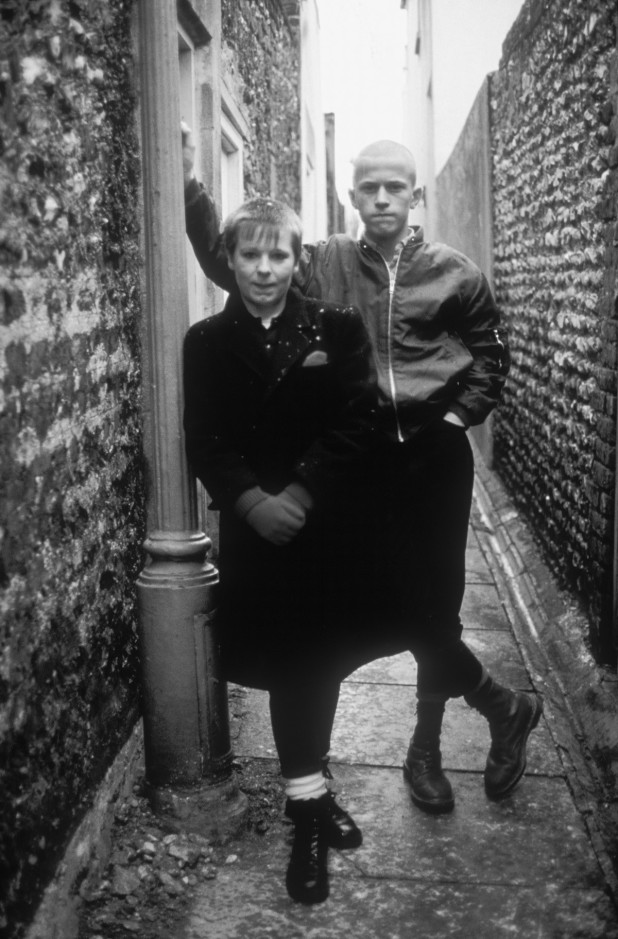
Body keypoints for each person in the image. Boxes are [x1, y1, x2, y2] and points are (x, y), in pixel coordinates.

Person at [183, 133, 543, 817]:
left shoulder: (455, 272)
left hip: (432, 460)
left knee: (435, 601)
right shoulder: (322, 264)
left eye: (395, 187)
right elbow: (231, 258)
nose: (382, 198)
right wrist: (193, 187)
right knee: (383, 602)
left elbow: (491, 350)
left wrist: (457, 417)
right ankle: (501, 706)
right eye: (369, 187)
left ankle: (425, 748)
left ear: (415, 195)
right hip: (358, 460)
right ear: (352, 196)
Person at [183, 195, 378, 905]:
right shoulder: (205, 341)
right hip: (255, 533)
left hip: (320, 525)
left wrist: (299, 494)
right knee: (284, 656)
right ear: (229, 259)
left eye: (278, 255)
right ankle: (309, 802)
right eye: (249, 254)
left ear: (298, 262)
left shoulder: (336, 327)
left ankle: (307, 802)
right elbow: (205, 436)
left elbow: (360, 418)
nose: (263, 269)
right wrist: (251, 501)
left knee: (318, 656)